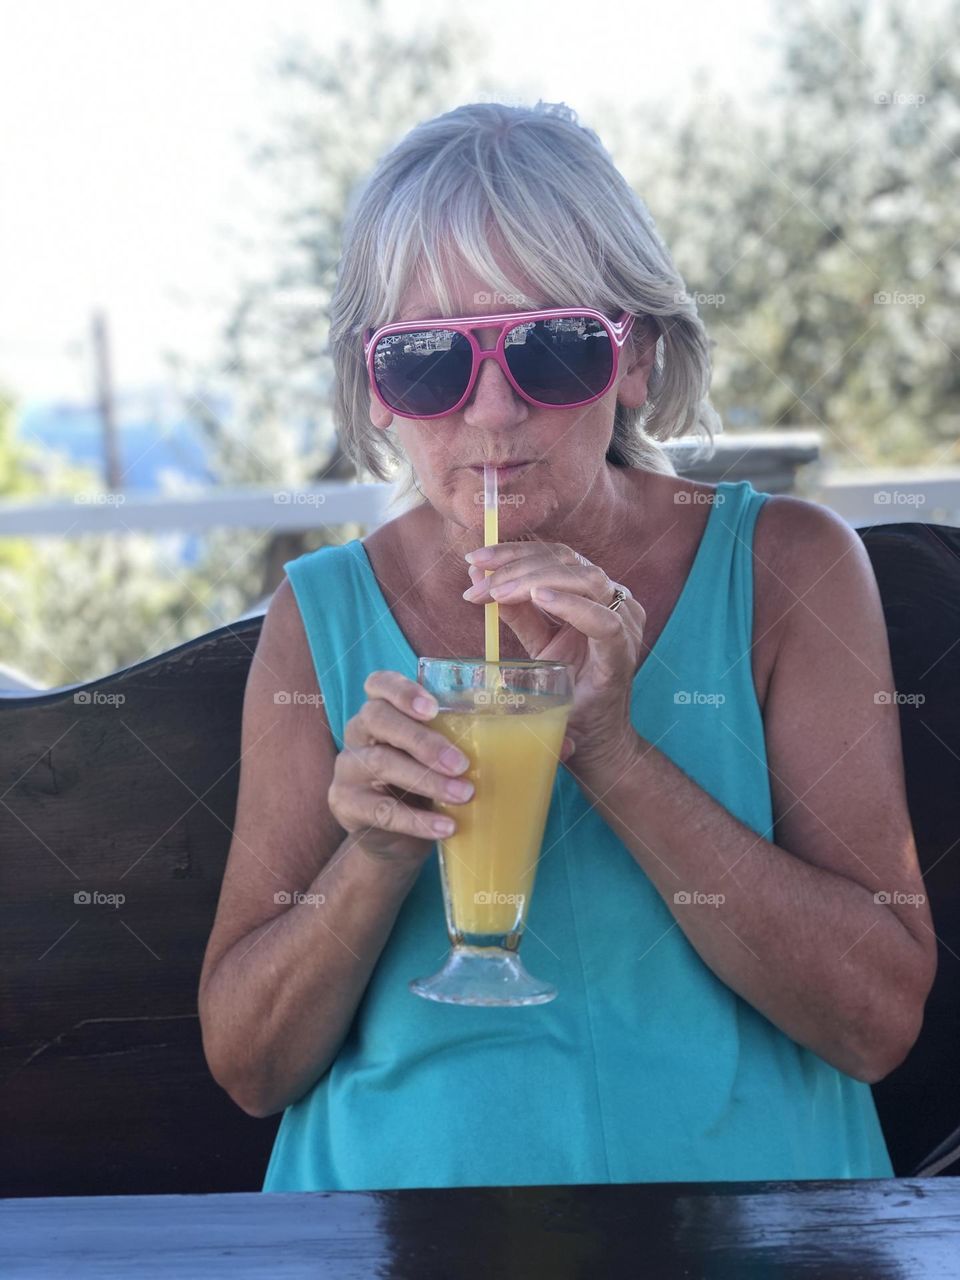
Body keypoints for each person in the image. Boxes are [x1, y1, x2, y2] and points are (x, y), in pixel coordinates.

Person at [198, 101, 935, 1191]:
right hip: (393, 1235)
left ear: (633, 361)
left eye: (549, 346)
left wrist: (612, 749)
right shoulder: (324, 613)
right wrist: (380, 853)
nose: (492, 412)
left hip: (757, 1232)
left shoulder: (789, 570)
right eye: (426, 362)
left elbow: (874, 1019)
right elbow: (252, 1064)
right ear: (375, 390)